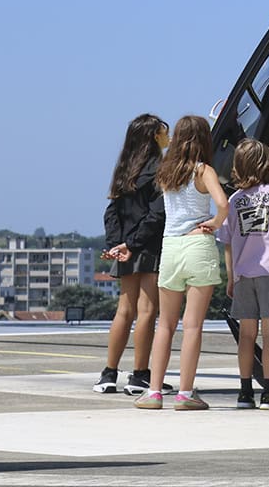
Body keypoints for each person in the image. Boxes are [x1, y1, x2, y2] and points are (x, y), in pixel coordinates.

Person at [134, 116, 228, 410]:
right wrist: (213, 223)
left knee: (165, 325)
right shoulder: (204, 170)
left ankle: (153, 392)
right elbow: (223, 204)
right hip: (198, 244)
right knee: (193, 326)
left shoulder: (165, 171)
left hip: (171, 246)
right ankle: (186, 394)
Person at [218, 139, 269, 410]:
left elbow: (228, 243)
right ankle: (268, 391)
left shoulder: (233, 200)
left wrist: (231, 277)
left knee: (246, 335)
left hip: (243, 274)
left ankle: (244, 392)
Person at [96, 114, 169, 395]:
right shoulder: (160, 169)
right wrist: (136, 243)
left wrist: (117, 244)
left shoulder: (124, 169)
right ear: (154, 137)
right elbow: (157, 214)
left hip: (125, 247)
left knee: (123, 311)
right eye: (164, 133)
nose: (168, 138)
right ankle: (140, 374)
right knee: (147, 311)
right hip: (147, 247)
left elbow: (111, 211)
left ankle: (108, 373)